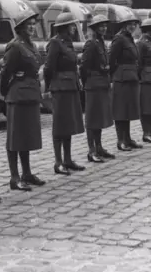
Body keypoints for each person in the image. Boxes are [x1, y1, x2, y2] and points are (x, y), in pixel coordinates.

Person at [0, 10, 45, 191]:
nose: (32, 27)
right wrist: (6, 92)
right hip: (17, 95)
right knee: (15, 137)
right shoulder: (14, 46)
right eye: (29, 25)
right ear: (20, 28)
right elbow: (6, 72)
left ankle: (26, 173)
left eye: (34, 24)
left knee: (26, 136)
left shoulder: (30, 45)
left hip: (30, 94)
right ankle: (14, 177)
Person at [44, 12, 85, 175]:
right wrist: (49, 87)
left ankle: (68, 159)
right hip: (60, 88)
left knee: (68, 124)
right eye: (72, 25)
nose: (75, 28)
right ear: (64, 27)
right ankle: (58, 161)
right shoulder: (55, 43)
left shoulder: (67, 43)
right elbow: (48, 67)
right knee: (59, 125)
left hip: (70, 87)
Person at [80, 15, 115, 163]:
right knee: (92, 118)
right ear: (94, 28)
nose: (104, 28)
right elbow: (84, 66)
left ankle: (99, 147)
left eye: (105, 25)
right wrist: (86, 82)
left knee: (99, 117)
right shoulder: (91, 44)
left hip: (101, 83)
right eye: (101, 26)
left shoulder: (100, 42)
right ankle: (91, 150)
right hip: (93, 84)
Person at [109, 12, 142, 151]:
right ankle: (120, 140)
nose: (132, 26)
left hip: (131, 77)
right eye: (130, 23)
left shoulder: (129, 39)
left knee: (128, 109)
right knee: (121, 109)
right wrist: (114, 76)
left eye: (134, 24)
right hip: (121, 78)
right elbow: (111, 60)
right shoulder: (119, 39)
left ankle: (127, 138)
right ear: (124, 24)